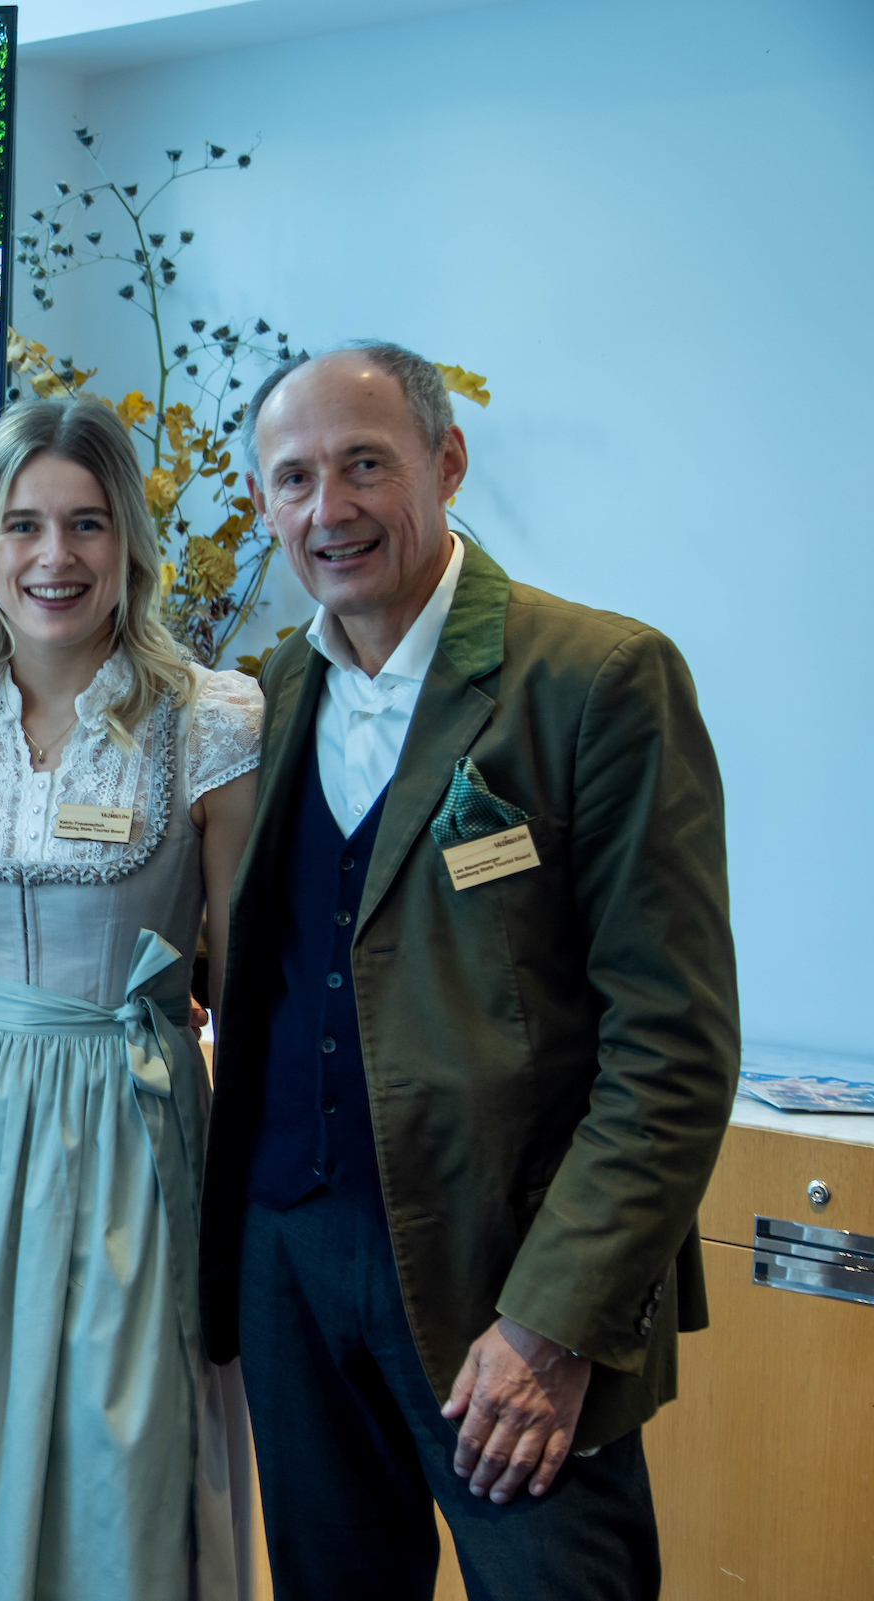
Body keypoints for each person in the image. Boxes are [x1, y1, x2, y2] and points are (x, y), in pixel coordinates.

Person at [203, 343, 738, 1598]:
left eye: (365, 464)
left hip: (502, 1280)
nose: (329, 509)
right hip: (288, 1263)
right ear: (265, 504)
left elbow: (672, 1048)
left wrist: (554, 1320)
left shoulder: (597, 679)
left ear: (446, 462)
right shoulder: (265, 695)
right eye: (294, 479)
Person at [0, 396, 263, 1600]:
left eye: (87, 523)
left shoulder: (208, 717)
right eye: (24, 524)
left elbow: (242, 969)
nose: (55, 555)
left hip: (127, 1117)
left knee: (120, 1435)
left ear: (129, 544)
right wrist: (0, 1017)